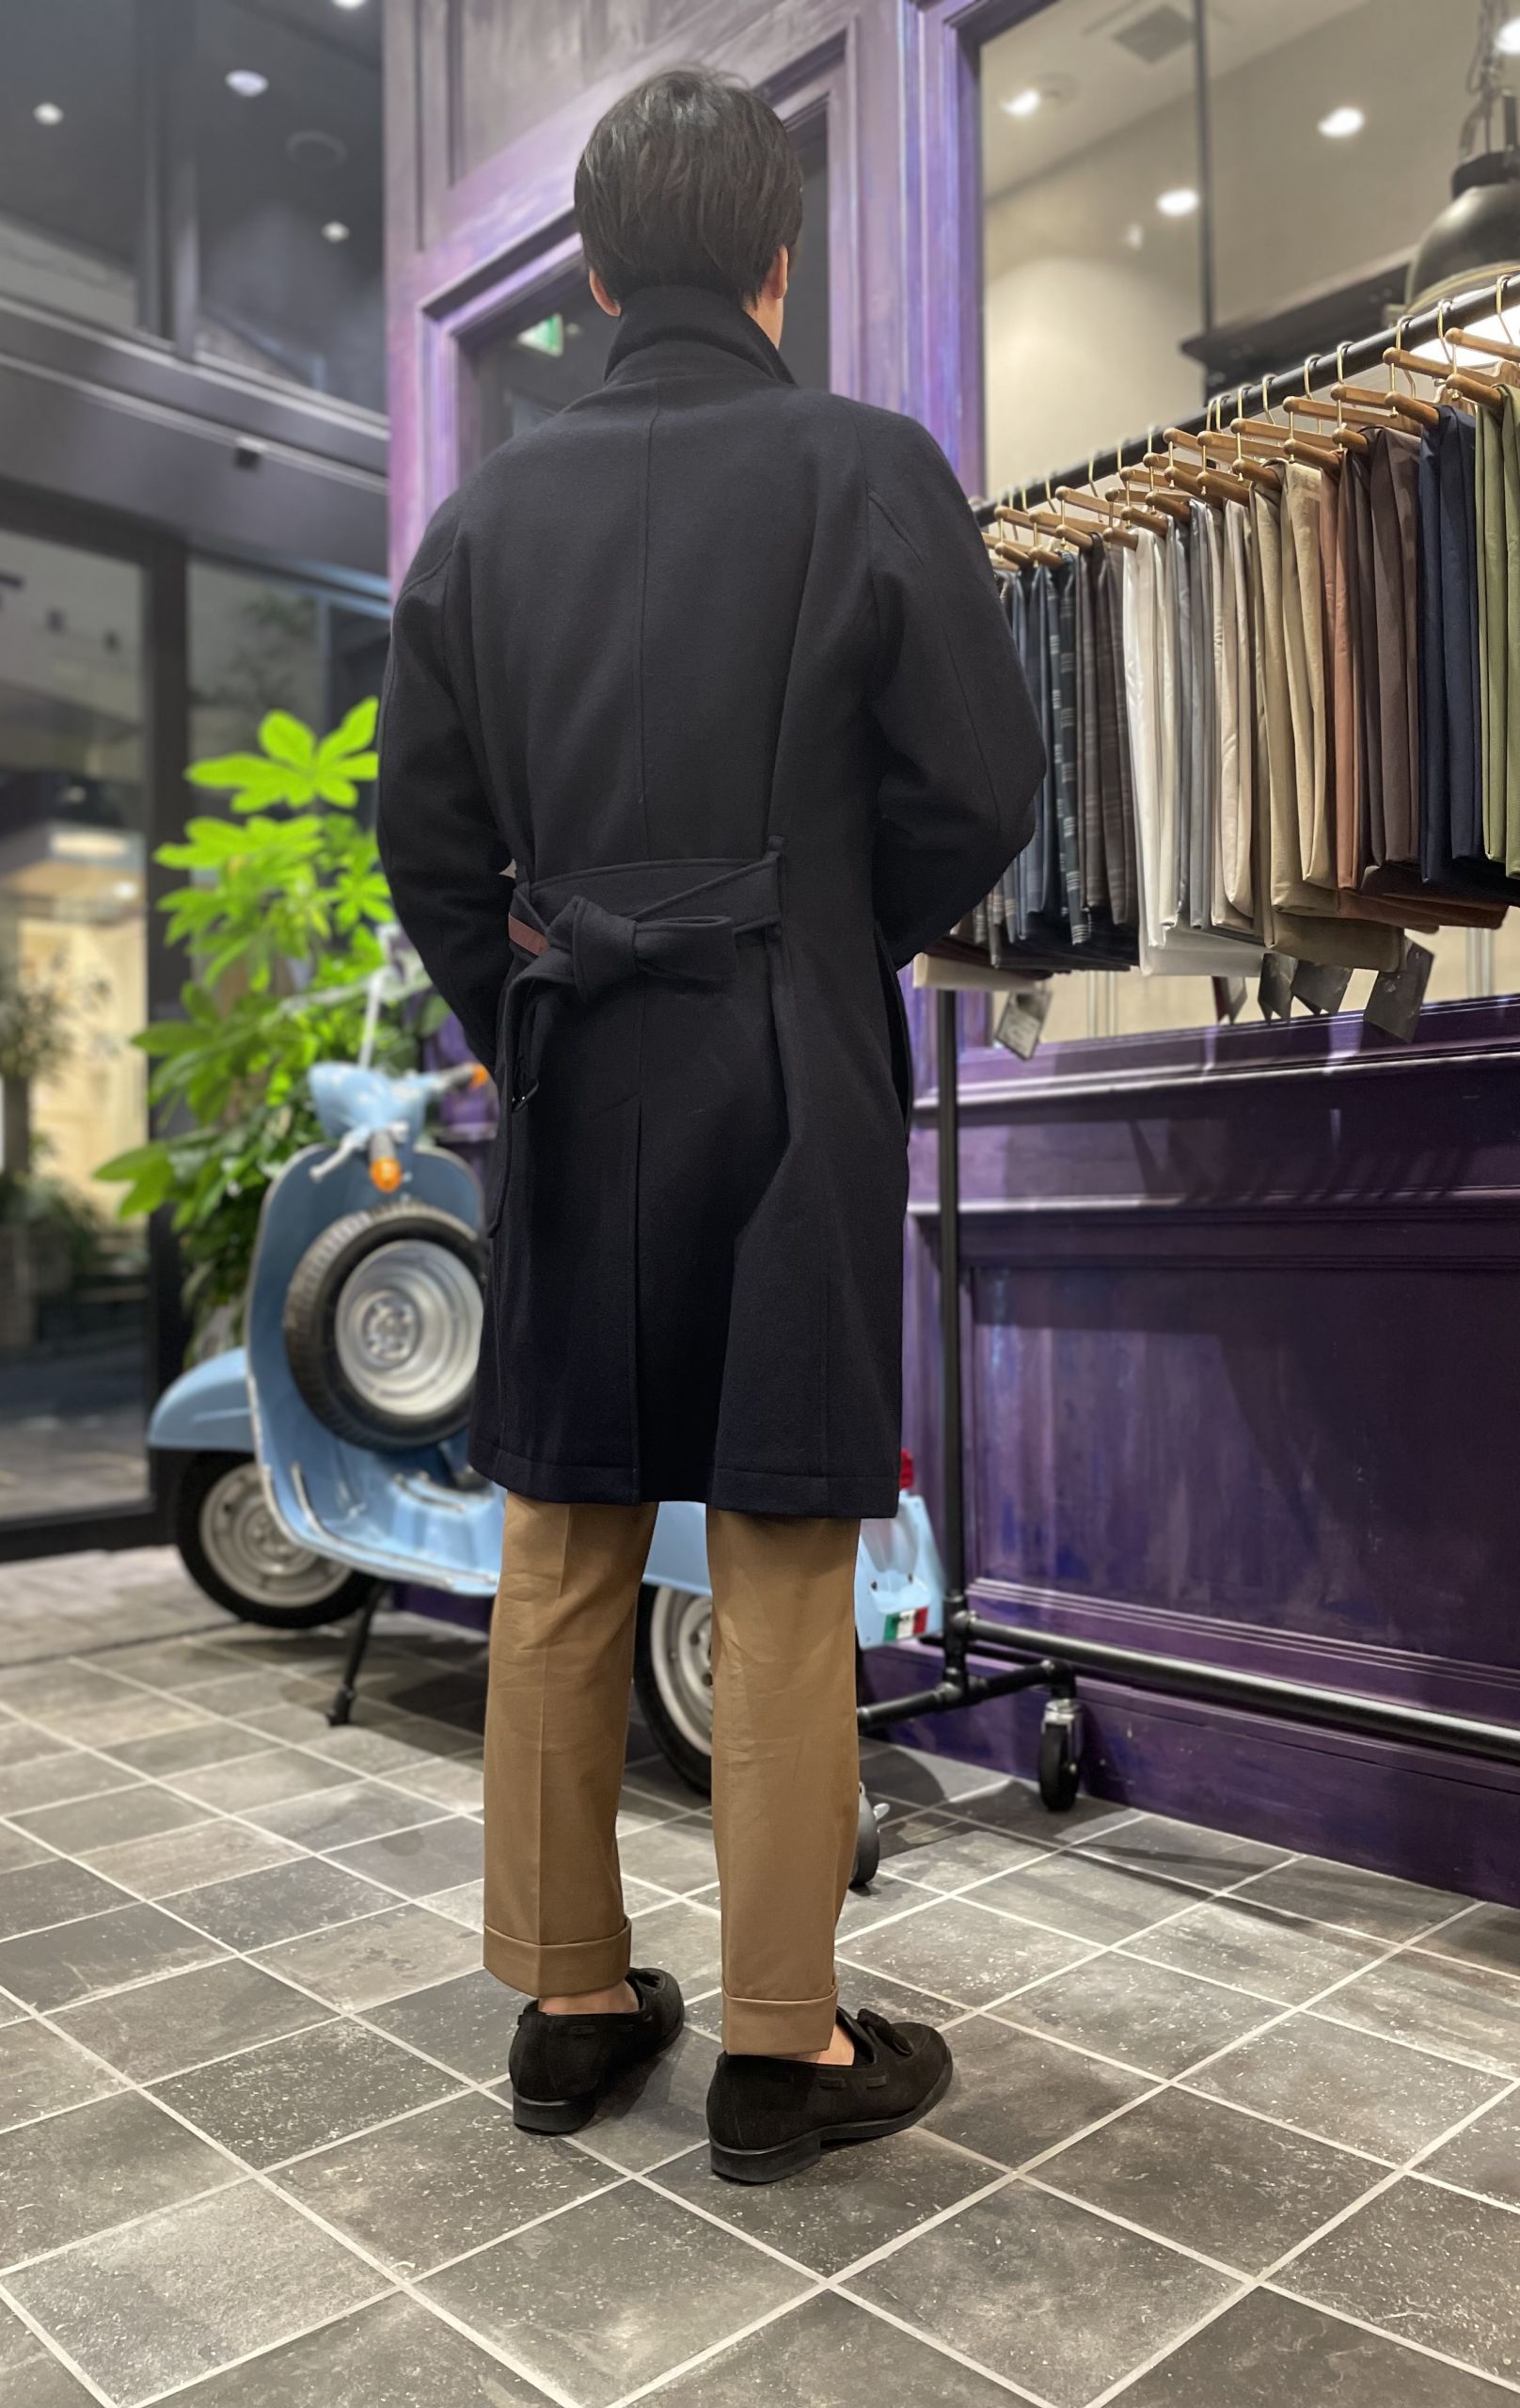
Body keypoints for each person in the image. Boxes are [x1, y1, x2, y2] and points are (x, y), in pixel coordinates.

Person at [377, 64, 1041, 2184]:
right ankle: (781, 2039)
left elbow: (425, 840)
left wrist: (531, 1010)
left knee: (565, 1533)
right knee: (778, 1538)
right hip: (788, 1054)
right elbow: (986, 783)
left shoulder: (479, 526)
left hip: (576, 1054)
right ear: (780, 258)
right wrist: (826, 933)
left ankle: (570, 2006)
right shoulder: (869, 468)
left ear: (591, 275)